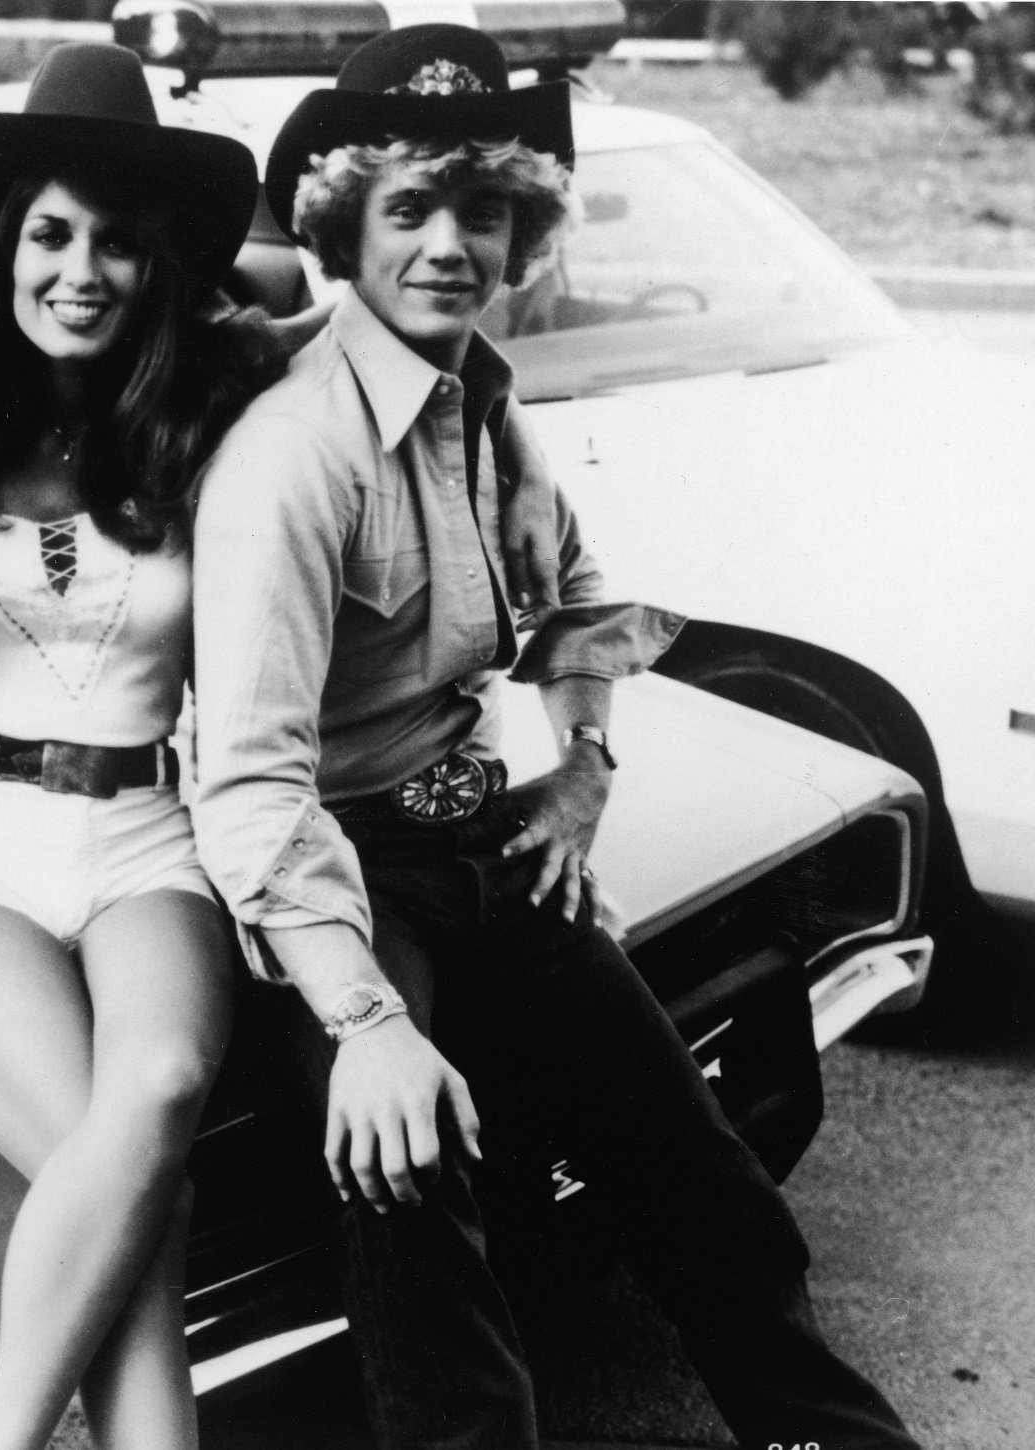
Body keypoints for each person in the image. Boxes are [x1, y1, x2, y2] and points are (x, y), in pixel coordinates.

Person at [189, 24, 920, 1450]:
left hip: (485, 840)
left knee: (701, 1177)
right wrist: (367, 1023)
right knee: (416, 1217)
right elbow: (251, 779)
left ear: (525, 231)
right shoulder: (293, 452)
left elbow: (582, 604)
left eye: (486, 212)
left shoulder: (479, 401)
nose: (450, 245)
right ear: (344, 228)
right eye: (408, 209)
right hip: (340, 884)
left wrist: (582, 769)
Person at [0, 44, 277, 1450]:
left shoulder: (215, 414)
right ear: (6, 246)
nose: (80, 271)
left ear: (159, 263)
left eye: (115, 241)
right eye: (50, 234)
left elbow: (332, 322)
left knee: (153, 1095)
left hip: (147, 833)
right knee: (135, 1195)